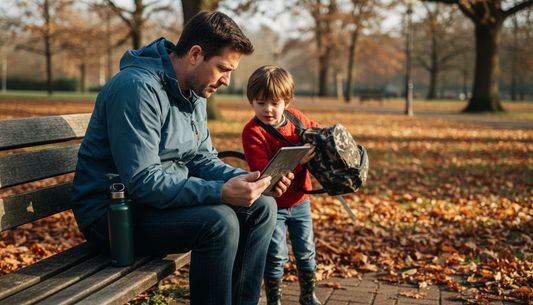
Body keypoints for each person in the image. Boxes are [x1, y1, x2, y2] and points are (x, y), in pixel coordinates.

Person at [71, 11, 293, 305]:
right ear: (195, 54)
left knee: (262, 207)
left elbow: (201, 160)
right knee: (220, 222)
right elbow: (142, 182)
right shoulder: (137, 89)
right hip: (111, 216)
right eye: (223, 69)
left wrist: (252, 180)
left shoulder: (195, 91)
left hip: (155, 205)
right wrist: (221, 191)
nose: (227, 81)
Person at [241, 65, 322, 305]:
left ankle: (308, 296)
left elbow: (318, 132)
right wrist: (298, 161)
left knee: (306, 251)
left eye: (275, 103)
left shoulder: (296, 118)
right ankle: (274, 300)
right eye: (261, 102)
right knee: (276, 256)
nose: (268, 109)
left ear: (286, 102)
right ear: (251, 101)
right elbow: (265, 175)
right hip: (272, 205)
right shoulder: (253, 131)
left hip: (300, 201)